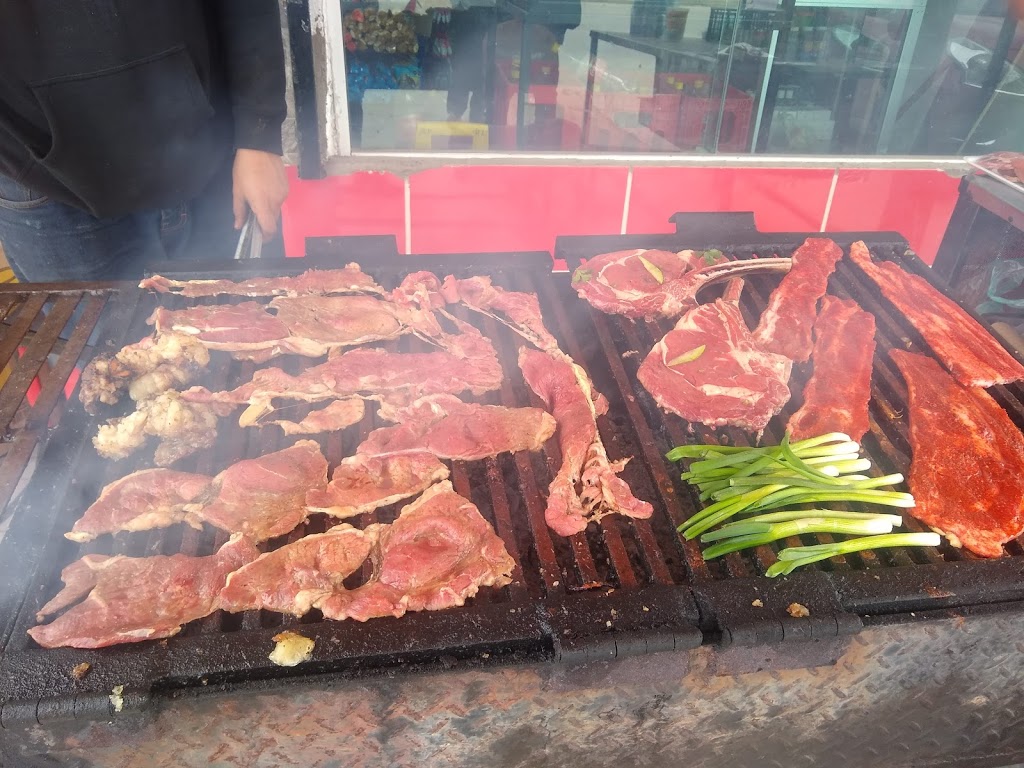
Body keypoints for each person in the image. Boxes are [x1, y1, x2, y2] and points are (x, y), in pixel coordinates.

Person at [0, 1, 289, 282]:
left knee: (249, 319)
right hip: (47, 182)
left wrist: (259, 131)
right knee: (102, 332)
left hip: (212, 152)